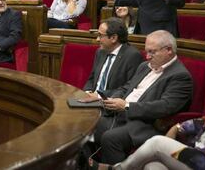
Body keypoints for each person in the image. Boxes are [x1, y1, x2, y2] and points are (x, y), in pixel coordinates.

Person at [83, 30, 193, 165]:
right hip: (120, 113)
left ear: (168, 50)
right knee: (83, 123)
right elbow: (126, 88)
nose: (147, 56)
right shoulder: (145, 67)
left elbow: (165, 106)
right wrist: (112, 99)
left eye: (152, 52)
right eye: (147, 51)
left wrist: (127, 106)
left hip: (145, 124)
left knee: (110, 137)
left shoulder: (180, 76)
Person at [94, 108, 205, 170]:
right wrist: (177, 127)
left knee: (157, 142)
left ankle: (117, 169)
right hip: (195, 153)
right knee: (153, 166)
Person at [83, 17, 143, 95]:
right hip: (91, 100)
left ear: (113, 38)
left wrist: (99, 96)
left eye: (100, 35)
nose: (97, 39)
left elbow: (129, 87)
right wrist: (87, 92)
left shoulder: (132, 56)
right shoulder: (100, 52)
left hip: (111, 102)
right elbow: (92, 78)